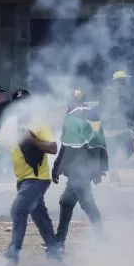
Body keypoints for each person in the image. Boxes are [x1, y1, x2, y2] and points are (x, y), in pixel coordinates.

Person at [2, 89, 62, 266]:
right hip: (22, 179)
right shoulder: (10, 124)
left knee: (18, 210)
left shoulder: (38, 122)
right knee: (40, 216)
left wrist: (32, 141)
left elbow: (53, 148)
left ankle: (13, 253)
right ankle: (54, 251)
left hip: (37, 178)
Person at [52, 92, 108, 248]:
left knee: (87, 203)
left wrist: (57, 167)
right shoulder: (90, 116)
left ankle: (100, 238)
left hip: (80, 169)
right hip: (79, 169)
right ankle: (60, 239)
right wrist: (100, 168)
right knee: (66, 202)